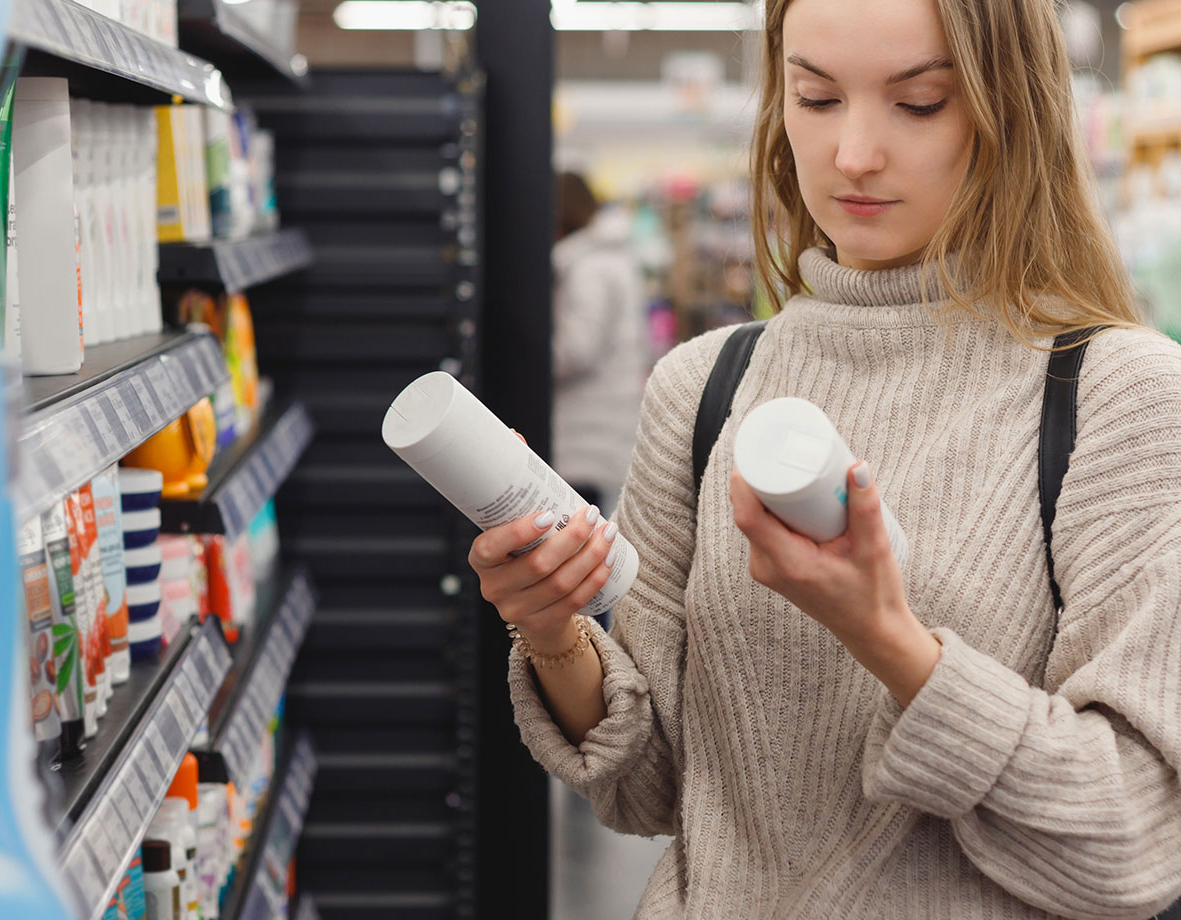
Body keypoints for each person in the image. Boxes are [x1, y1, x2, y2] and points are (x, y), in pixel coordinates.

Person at [470, 0, 1181, 916]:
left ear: (1014, 112)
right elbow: (647, 789)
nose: (852, 155)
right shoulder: (703, 387)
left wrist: (889, 640)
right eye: (815, 96)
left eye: (919, 103)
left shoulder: (1121, 394)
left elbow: (1129, 844)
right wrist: (555, 628)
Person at [552, 171, 649, 518]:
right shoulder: (608, 259)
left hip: (584, 436)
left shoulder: (588, 268)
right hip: (600, 429)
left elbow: (577, 349)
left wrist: (526, 358)